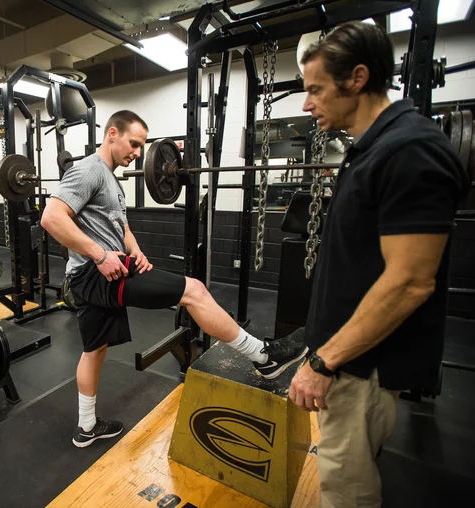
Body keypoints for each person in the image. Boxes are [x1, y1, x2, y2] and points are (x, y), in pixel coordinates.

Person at [41, 110, 308, 448]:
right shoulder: (88, 170)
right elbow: (51, 218)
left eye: (141, 146)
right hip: (98, 273)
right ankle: (262, 356)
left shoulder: (110, 177)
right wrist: (101, 255)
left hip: (101, 271)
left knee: (94, 350)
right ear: (112, 133)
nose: (138, 153)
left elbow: (119, 226)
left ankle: (86, 427)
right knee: (193, 290)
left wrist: (135, 250)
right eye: (134, 143)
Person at [289, 22, 469, 508]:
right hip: (346, 360)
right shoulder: (369, 148)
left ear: (358, 77)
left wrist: (325, 361)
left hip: (358, 369)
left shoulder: (411, 151)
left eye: (316, 90)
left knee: (345, 492)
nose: (307, 105)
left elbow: (409, 282)